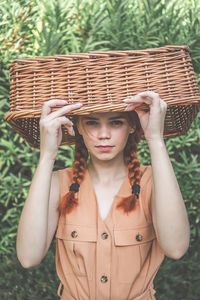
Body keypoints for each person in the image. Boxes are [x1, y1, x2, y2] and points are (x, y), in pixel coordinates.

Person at [16, 91, 190, 300]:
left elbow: (176, 248)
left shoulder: (152, 182)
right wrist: (47, 156)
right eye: (92, 123)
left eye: (116, 123)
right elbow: (28, 258)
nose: (103, 134)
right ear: (78, 126)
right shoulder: (58, 183)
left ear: (132, 125)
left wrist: (155, 139)